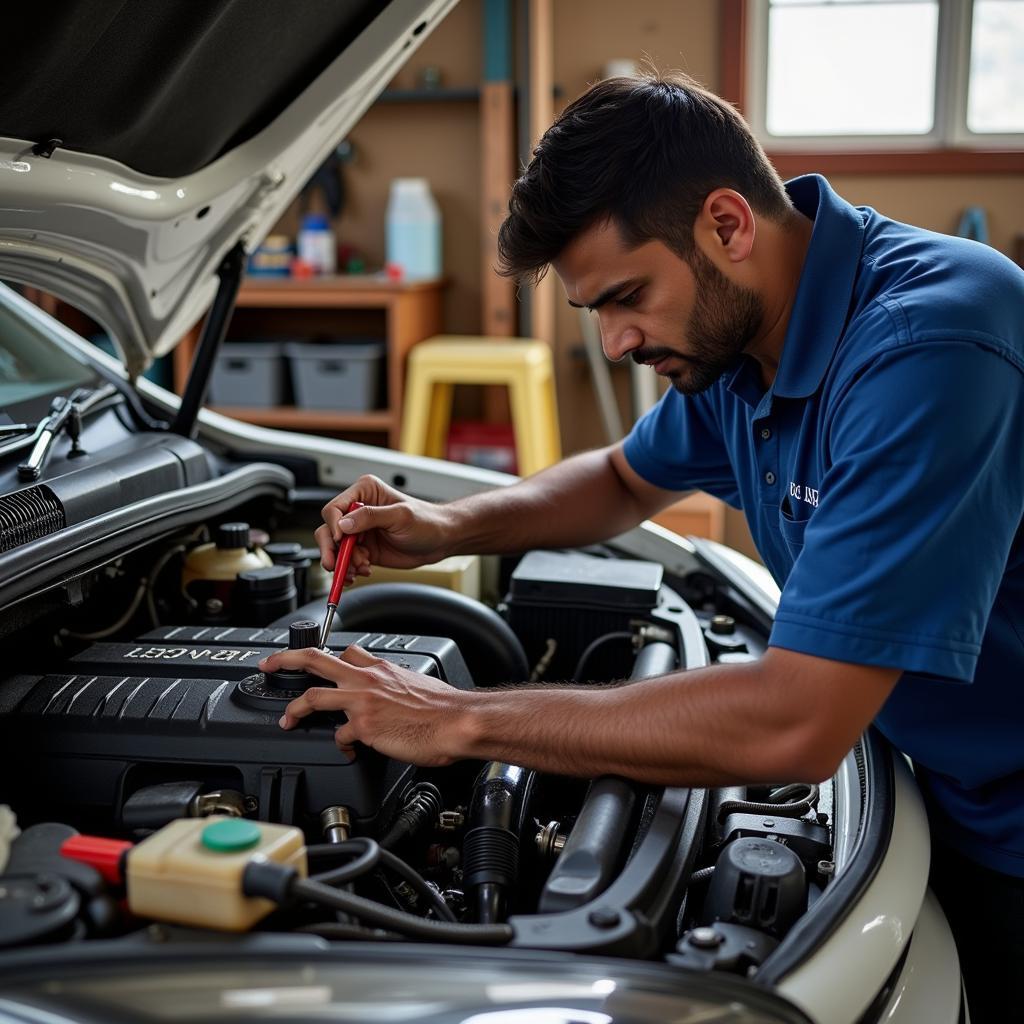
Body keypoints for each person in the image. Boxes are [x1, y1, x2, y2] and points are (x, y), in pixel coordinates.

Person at [259, 71, 1024, 1017]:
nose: (617, 343)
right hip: (941, 785)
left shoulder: (930, 346)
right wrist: (449, 525)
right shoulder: (747, 342)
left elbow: (796, 722)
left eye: (627, 297)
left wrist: (459, 717)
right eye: (595, 314)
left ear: (727, 225)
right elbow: (624, 479)